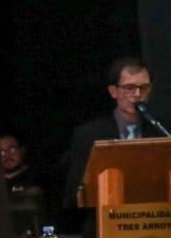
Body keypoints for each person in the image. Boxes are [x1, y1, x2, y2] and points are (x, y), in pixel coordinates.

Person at [65, 57, 157, 207]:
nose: (138, 94)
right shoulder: (88, 135)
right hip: (107, 220)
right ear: (113, 91)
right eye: (129, 88)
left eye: (144, 88)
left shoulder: (161, 132)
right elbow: (74, 194)